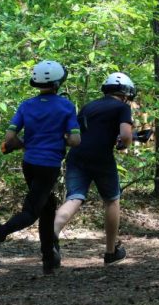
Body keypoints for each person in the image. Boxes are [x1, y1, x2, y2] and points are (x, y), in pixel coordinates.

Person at [0, 60, 81, 275]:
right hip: (49, 165)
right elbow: (75, 141)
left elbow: (9, 138)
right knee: (32, 211)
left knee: (47, 207)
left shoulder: (26, 105)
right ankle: (1, 232)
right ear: (58, 83)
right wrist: (60, 139)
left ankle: (49, 259)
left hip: (29, 163)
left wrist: (25, 144)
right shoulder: (66, 106)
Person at [53, 72, 135, 265]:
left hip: (77, 155)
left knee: (74, 197)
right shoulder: (122, 107)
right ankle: (110, 252)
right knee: (111, 200)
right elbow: (125, 135)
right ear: (125, 94)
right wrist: (125, 143)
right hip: (101, 157)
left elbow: (79, 132)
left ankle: (51, 234)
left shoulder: (89, 106)